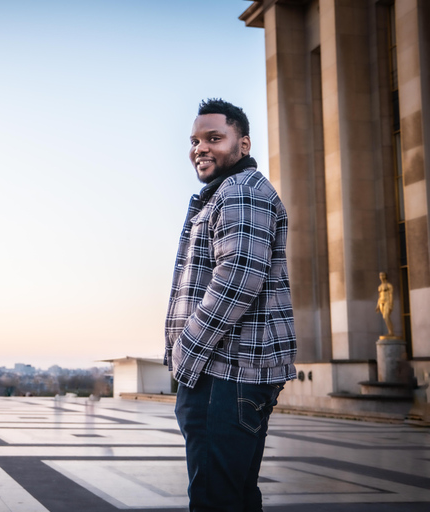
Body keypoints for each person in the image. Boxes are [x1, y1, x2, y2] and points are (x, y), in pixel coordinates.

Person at [164, 99, 297, 511]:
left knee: (214, 498)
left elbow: (238, 277)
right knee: (235, 495)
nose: (200, 148)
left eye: (214, 138)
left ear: (243, 144)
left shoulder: (240, 191)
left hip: (224, 373)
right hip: (232, 373)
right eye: (195, 141)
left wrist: (186, 352)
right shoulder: (230, 192)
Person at [375, 272, 395, 337]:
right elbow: (379, 296)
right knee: (385, 317)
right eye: (380, 275)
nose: (381, 276)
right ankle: (390, 332)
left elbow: (391, 295)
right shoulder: (379, 287)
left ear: (385, 276)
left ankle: (391, 332)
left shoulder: (389, 285)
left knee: (386, 317)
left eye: (382, 275)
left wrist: (391, 304)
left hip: (387, 301)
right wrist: (377, 305)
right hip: (381, 302)